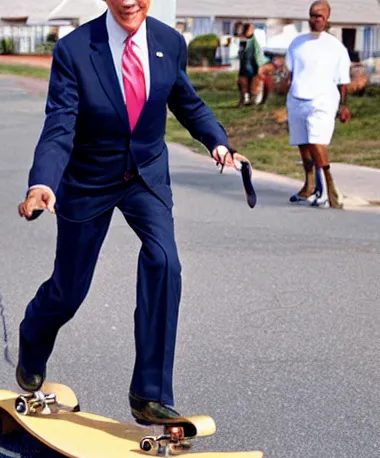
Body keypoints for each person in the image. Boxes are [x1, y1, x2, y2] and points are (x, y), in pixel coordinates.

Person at [17, 0, 251, 426]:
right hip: (88, 176)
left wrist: (217, 140)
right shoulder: (73, 50)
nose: (129, 2)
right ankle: (32, 337)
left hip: (146, 174)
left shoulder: (168, 41)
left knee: (165, 261)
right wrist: (42, 183)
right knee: (69, 290)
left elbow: (185, 100)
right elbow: (59, 125)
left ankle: (149, 393)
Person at [286, 1, 351, 208]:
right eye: (313, 15)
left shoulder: (336, 47)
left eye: (320, 15)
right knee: (303, 145)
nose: (316, 19)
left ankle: (329, 188)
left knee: (316, 142)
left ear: (328, 18)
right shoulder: (297, 43)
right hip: (297, 99)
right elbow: (291, 73)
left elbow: (343, 81)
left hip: (322, 100)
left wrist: (343, 105)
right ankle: (309, 186)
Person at [237, 23, 266, 106]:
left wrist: (260, 66)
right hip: (244, 67)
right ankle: (244, 98)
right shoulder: (242, 41)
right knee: (242, 82)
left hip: (253, 67)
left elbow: (258, 54)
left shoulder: (255, 41)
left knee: (254, 83)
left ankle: (254, 98)